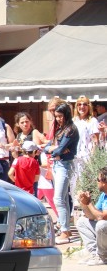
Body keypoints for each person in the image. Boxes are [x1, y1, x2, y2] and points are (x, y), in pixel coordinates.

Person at [44, 102, 79, 244]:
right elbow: (48, 148)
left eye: (60, 116)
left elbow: (59, 149)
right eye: (56, 116)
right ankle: (67, 229)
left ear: (66, 114)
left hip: (64, 165)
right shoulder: (61, 129)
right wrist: (54, 148)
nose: (58, 119)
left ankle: (65, 231)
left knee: (59, 198)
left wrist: (56, 149)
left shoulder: (71, 129)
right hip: (57, 165)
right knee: (63, 199)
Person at [76, 167, 107, 265]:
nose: (96, 182)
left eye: (98, 180)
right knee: (82, 222)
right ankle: (95, 254)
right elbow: (92, 216)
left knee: (101, 225)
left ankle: (103, 257)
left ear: (104, 182)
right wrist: (84, 203)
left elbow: (102, 217)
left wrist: (89, 203)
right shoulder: (104, 195)